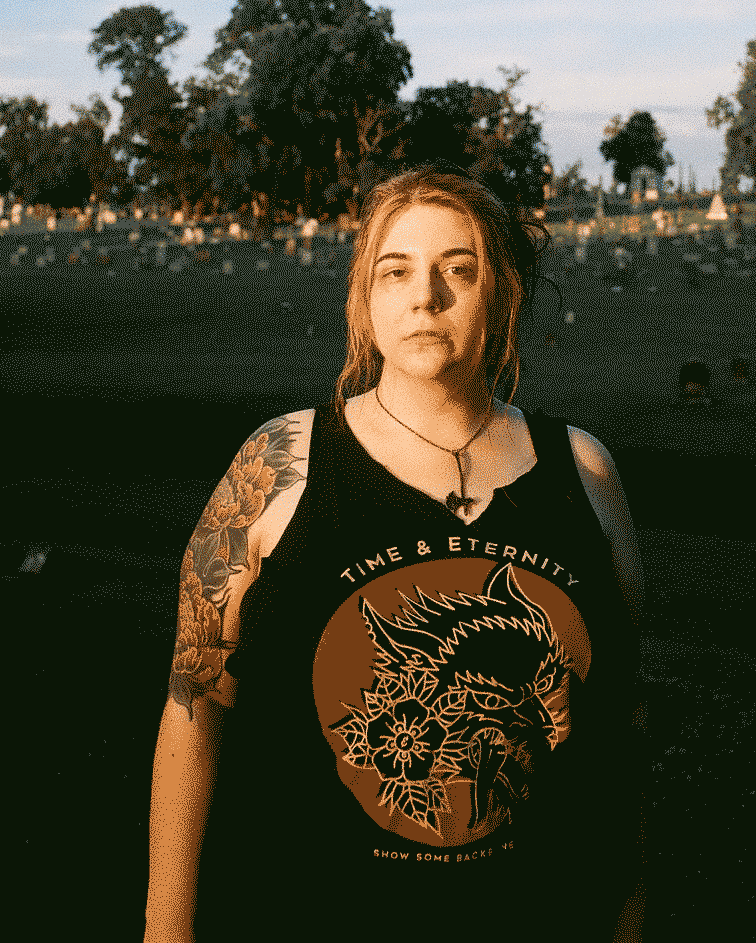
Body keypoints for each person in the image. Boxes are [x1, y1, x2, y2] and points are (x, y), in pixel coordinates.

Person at [144, 163, 648, 943]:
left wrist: (629, 921)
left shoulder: (584, 471)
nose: (425, 296)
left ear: (503, 293)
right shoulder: (278, 462)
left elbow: (620, 728)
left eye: (458, 268)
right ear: (365, 298)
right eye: (396, 269)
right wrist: (165, 930)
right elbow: (195, 705)